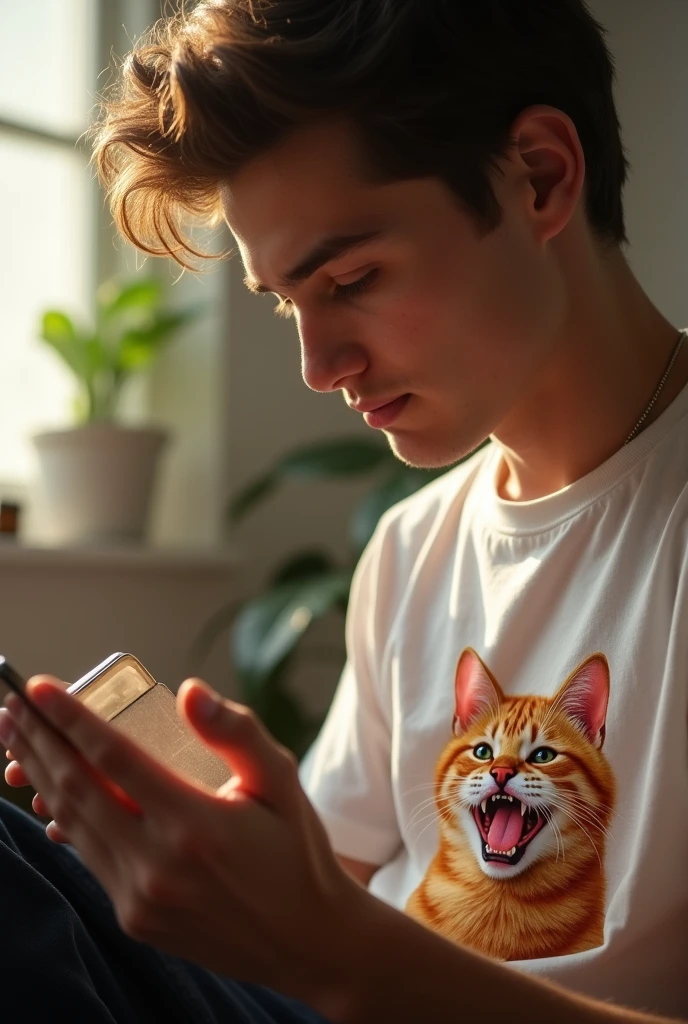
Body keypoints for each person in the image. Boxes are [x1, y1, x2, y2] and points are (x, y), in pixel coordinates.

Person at [1, 0, 686, 1020]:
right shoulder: (414, 546)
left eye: (352, 279)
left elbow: (340, 944)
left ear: (539, 177)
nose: (319, 366)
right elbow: (329, 895)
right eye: (286, 301)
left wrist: (340, 952)